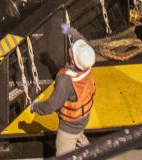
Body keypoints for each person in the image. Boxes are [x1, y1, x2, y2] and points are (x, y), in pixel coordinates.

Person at [30, 23, 97, 156]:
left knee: (63, 154)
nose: (71, 47)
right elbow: (80, 39)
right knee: (79, 136)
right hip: (83, 119)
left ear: (72, 57)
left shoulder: (66, 81)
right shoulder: (86, 62)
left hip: (69, 127)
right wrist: (69, 30)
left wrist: (35, 107)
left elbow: (52, 105)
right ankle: (91, 152)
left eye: (72, 48)